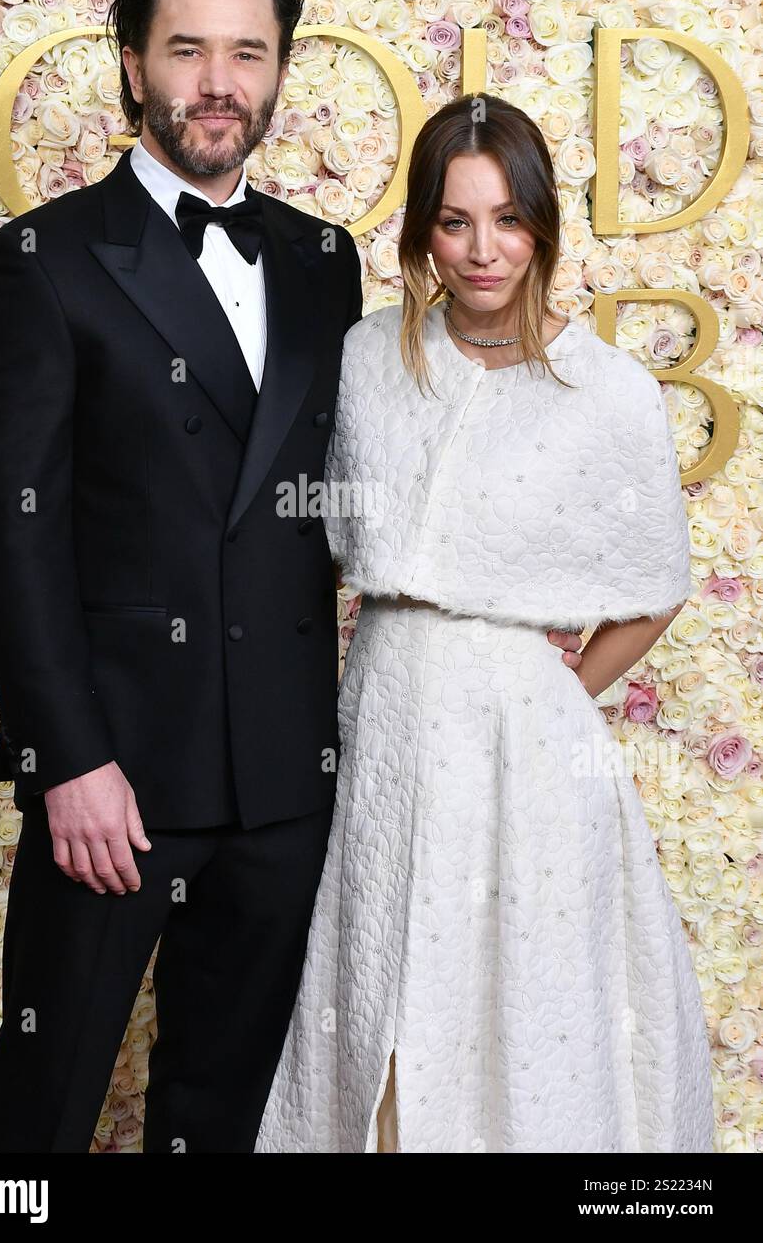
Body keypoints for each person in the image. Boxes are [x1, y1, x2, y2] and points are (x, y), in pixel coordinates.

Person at [0, 0, 584, 1153]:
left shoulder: (316, 259)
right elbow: (7, 534)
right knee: (39, 1110)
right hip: (117, 775)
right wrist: (69, 758)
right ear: (134, 66)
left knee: (224, 1106)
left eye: (247, 52)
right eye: (186, 49)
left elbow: (367, 479)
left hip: (286, 778)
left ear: (279, 73)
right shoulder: (42, 262)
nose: (217, 80)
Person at [256, 92, 715, 1153]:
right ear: (420, 230)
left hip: (529, 755)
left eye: (506, 219)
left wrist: (542, 686)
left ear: (543, 225)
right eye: (453, 221)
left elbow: (653, 583)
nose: (480, 249)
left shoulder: (608, 390)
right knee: (381, 986)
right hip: (382, 716)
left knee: (521, 999)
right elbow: (316, 529)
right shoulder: (368, 356)